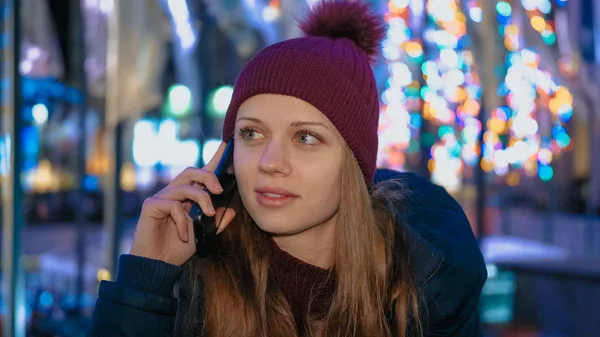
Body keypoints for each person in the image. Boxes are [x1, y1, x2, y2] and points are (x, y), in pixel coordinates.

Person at [88, 1, 487, 336]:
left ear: (355, 163)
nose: (270, 163)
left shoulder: (427, 289)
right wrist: (146, 283)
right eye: (251, 134)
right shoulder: (197, 275)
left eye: (306, 138)